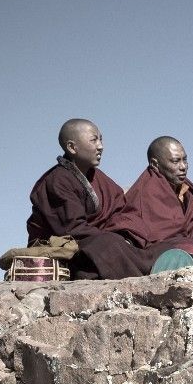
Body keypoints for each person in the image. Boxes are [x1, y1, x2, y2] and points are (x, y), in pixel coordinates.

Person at [26, 118, 145, 280]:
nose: (100, 146)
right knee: (109, 243)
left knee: (151, 242)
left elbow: (119, 208)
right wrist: (113, 237)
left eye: (101, 139)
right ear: (72, 147)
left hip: (99, 242)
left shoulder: (96, 176)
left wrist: (123, 232)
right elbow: (72, 230)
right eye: (94, 140)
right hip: (67, 251)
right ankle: (144, 273)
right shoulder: (58, 181)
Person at [118, 137, 193, 272]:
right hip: (162, 262)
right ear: (155, 164)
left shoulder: (189, 194)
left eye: (185, 160)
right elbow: (162, 242)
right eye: (176, 161)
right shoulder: (146, 194)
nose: (183, 167)